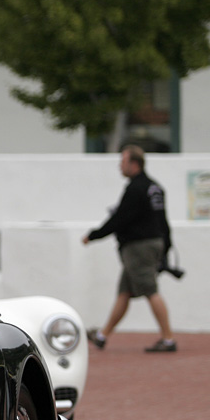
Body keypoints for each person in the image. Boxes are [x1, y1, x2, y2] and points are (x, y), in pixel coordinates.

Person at [82, 144, 175, 352]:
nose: (119, 166)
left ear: (134, 164)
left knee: (150, 290)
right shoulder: (154, 187)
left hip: (139, 247)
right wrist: (166, 247)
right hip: (152, 243)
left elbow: (119, 219)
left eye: (122, 162)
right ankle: (102, 336)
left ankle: (168, 339)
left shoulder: (135, 188)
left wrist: (93, 235)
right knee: (124, 292)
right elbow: (163, 221)